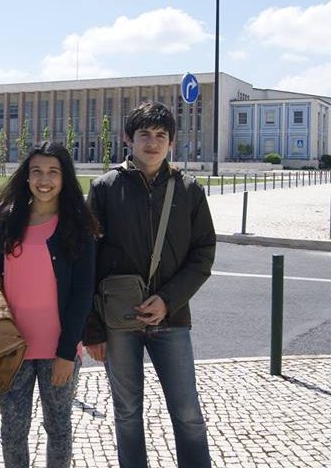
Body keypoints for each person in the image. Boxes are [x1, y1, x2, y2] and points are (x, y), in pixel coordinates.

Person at [83, 101, 216, 468]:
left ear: (171, 142)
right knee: (127, 413)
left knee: (188, 413)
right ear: (128, 138)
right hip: (118, 321)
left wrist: (168, 300)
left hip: (171, 319)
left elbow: (203, 253)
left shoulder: (189, 190)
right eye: (144, 134)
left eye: (161, 135)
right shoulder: (105, 188)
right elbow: (87, 261)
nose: (152, 143)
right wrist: (92, 328)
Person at [0, 142, 98, 468]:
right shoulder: (7, 221)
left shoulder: (78, 226)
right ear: (26, 176)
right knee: (12, 431)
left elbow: (82, 293)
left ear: (64, 178)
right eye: (36, 172)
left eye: (52, 172)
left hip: (58, 350)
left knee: (58, 429)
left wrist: (66, 352)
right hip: (13, 349)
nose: (44, 180)